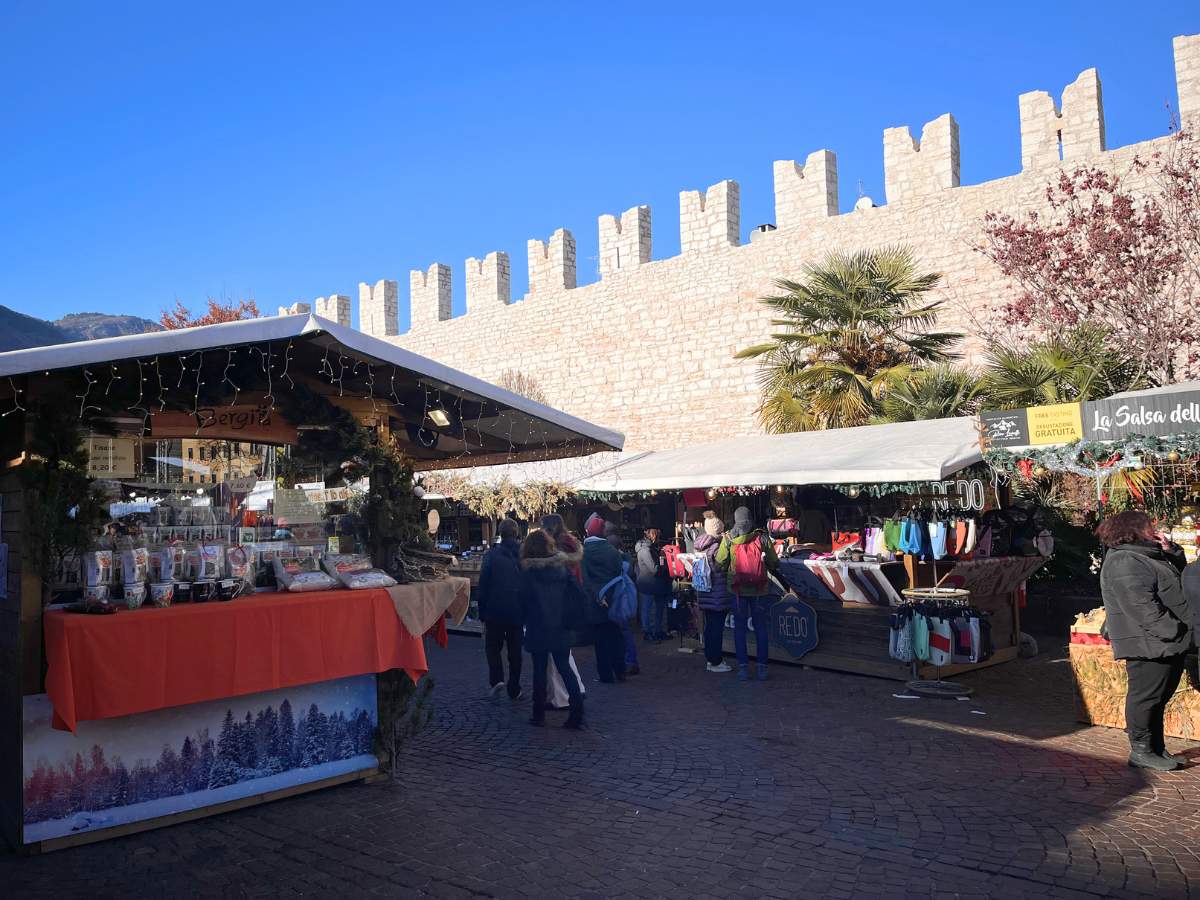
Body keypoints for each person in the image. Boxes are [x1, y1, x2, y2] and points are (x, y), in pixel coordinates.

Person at [1098, 510, 1191, 771]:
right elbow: (1141, 605)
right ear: (1133, 529)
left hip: (1163, 641)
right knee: (1145, 697)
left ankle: (1156, 749)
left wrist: (1170, 549)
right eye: (1149, 525)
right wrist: (1172, 630)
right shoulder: (1125, 561)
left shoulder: (1145, 554)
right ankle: (1141, 750)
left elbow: (1178, 574)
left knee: (1158, 698)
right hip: (1148, 643)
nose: (1155, 527)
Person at [518, 529, 586, 729]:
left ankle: (538, 714)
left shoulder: (528, 572)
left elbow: (522, 600)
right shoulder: (562, 568)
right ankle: (577, 714)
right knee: (565, 668)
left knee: (539, 671)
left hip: (538, 625)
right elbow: (577, 594)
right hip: (561, 625)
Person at [716, 506, 780, 682]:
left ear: (736, 521)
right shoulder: (761, 536)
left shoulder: (728, 538)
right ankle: (762, 668)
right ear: (751, 520)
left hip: (736, 590)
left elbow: (720, 562)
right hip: (759, 589)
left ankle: (743, 668)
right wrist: (766, 562)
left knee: (740, 629)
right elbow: (774, 562)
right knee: (761, 628)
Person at [538, 514, 587, 704]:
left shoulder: (557, 550)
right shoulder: (572, 545)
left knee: (555, 657)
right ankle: (575, 690)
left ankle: (562, 697)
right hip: (568, 605)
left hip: (556, 607)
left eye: (543, 526)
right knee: (563, 655)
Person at [477, 517, 524, 700]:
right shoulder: (523, 554)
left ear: (500, 534)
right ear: (516, 533)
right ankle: (514, 687)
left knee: (492, 647)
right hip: (517, 610)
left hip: (494, 610)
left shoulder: (491, 555)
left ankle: (497, 679)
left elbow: (483, 585)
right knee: (515, 651)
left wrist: (482, 611)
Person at [582, 514, 627, 683]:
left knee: (600, 642)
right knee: (616, 636)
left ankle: (605, 674)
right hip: (614, 598)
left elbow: (584, 580)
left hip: (595, 601)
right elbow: (620, 571)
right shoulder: (612, 551)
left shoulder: (584, 553)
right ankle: (620, 669)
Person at [694, 514, 733, 673]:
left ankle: (711, 658)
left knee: (710, 627)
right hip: (718, 594)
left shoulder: (699, 546)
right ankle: (716, 661)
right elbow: (720, 566)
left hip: (705, 592)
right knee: (716, 628)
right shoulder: (717, 547)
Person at [606, 520, 639, 674]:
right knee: (625, 630)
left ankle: (627, 661)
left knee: (621, 631)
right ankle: (630, 660)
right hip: (625, 595)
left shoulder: (614, 557)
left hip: (618, 596)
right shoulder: (625, 556)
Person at [635, 527, 670, 641]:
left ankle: (657, 631)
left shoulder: (651, 548)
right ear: (651, 535)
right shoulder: (645, 550)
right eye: (656, 535)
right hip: (648, 584)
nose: (658, 537)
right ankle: (648, 632)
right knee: (648, 610)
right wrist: (663, 561)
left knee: (655, 609)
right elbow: (654, 569)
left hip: (654, 584)